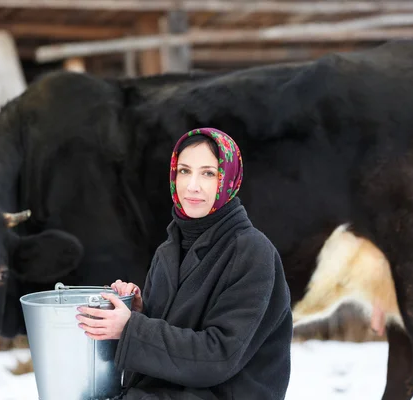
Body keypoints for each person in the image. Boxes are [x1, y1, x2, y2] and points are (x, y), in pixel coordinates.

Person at [76, 127, 293, 399]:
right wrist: (140, 311)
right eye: (184, 171)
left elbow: (218, 356)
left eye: (208, 173)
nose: (192, 186)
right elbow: (174, 336)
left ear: (228, 179)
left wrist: (131, 327)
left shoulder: (253, 252)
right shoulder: (169, 249)